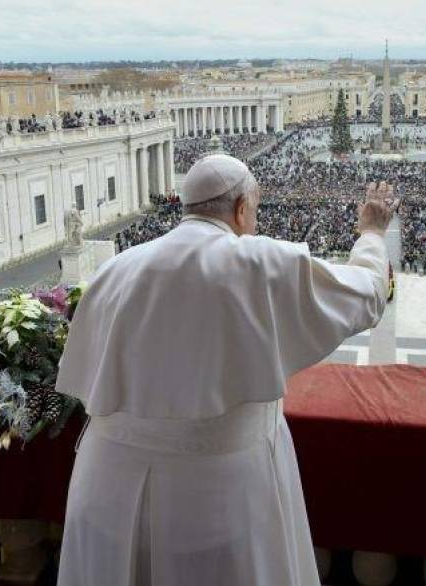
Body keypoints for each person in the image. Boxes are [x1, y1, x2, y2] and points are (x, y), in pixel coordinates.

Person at [55, 154, 393, 586]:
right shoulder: (259, 261)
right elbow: (366, 294)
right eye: (253, 210)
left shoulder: (114, 270)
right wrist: (372, 233)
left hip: (104, 489)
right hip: (213, 499)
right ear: (240, 209)